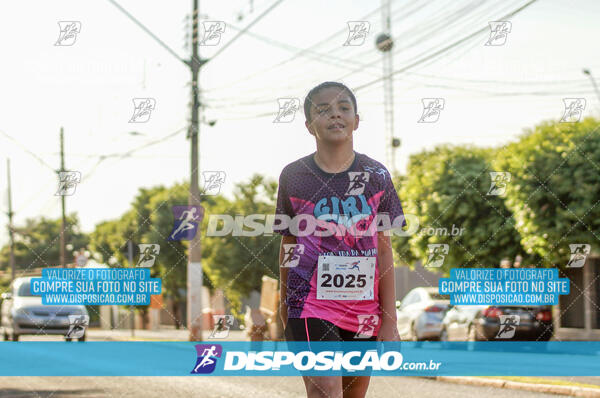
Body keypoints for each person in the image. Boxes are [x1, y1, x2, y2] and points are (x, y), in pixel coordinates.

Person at [275, 81, 404, 398]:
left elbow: (384, 251)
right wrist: (282, 302)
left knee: (352, 394)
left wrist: (389, 320)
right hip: (309, 305)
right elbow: (289, 243)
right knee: (326, 390)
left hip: (363, 310)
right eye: (323, 109)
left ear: (356, 120)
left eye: (344, 108)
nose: (335, 115)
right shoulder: (293, 176)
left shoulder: (377, 176)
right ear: (309, 125)